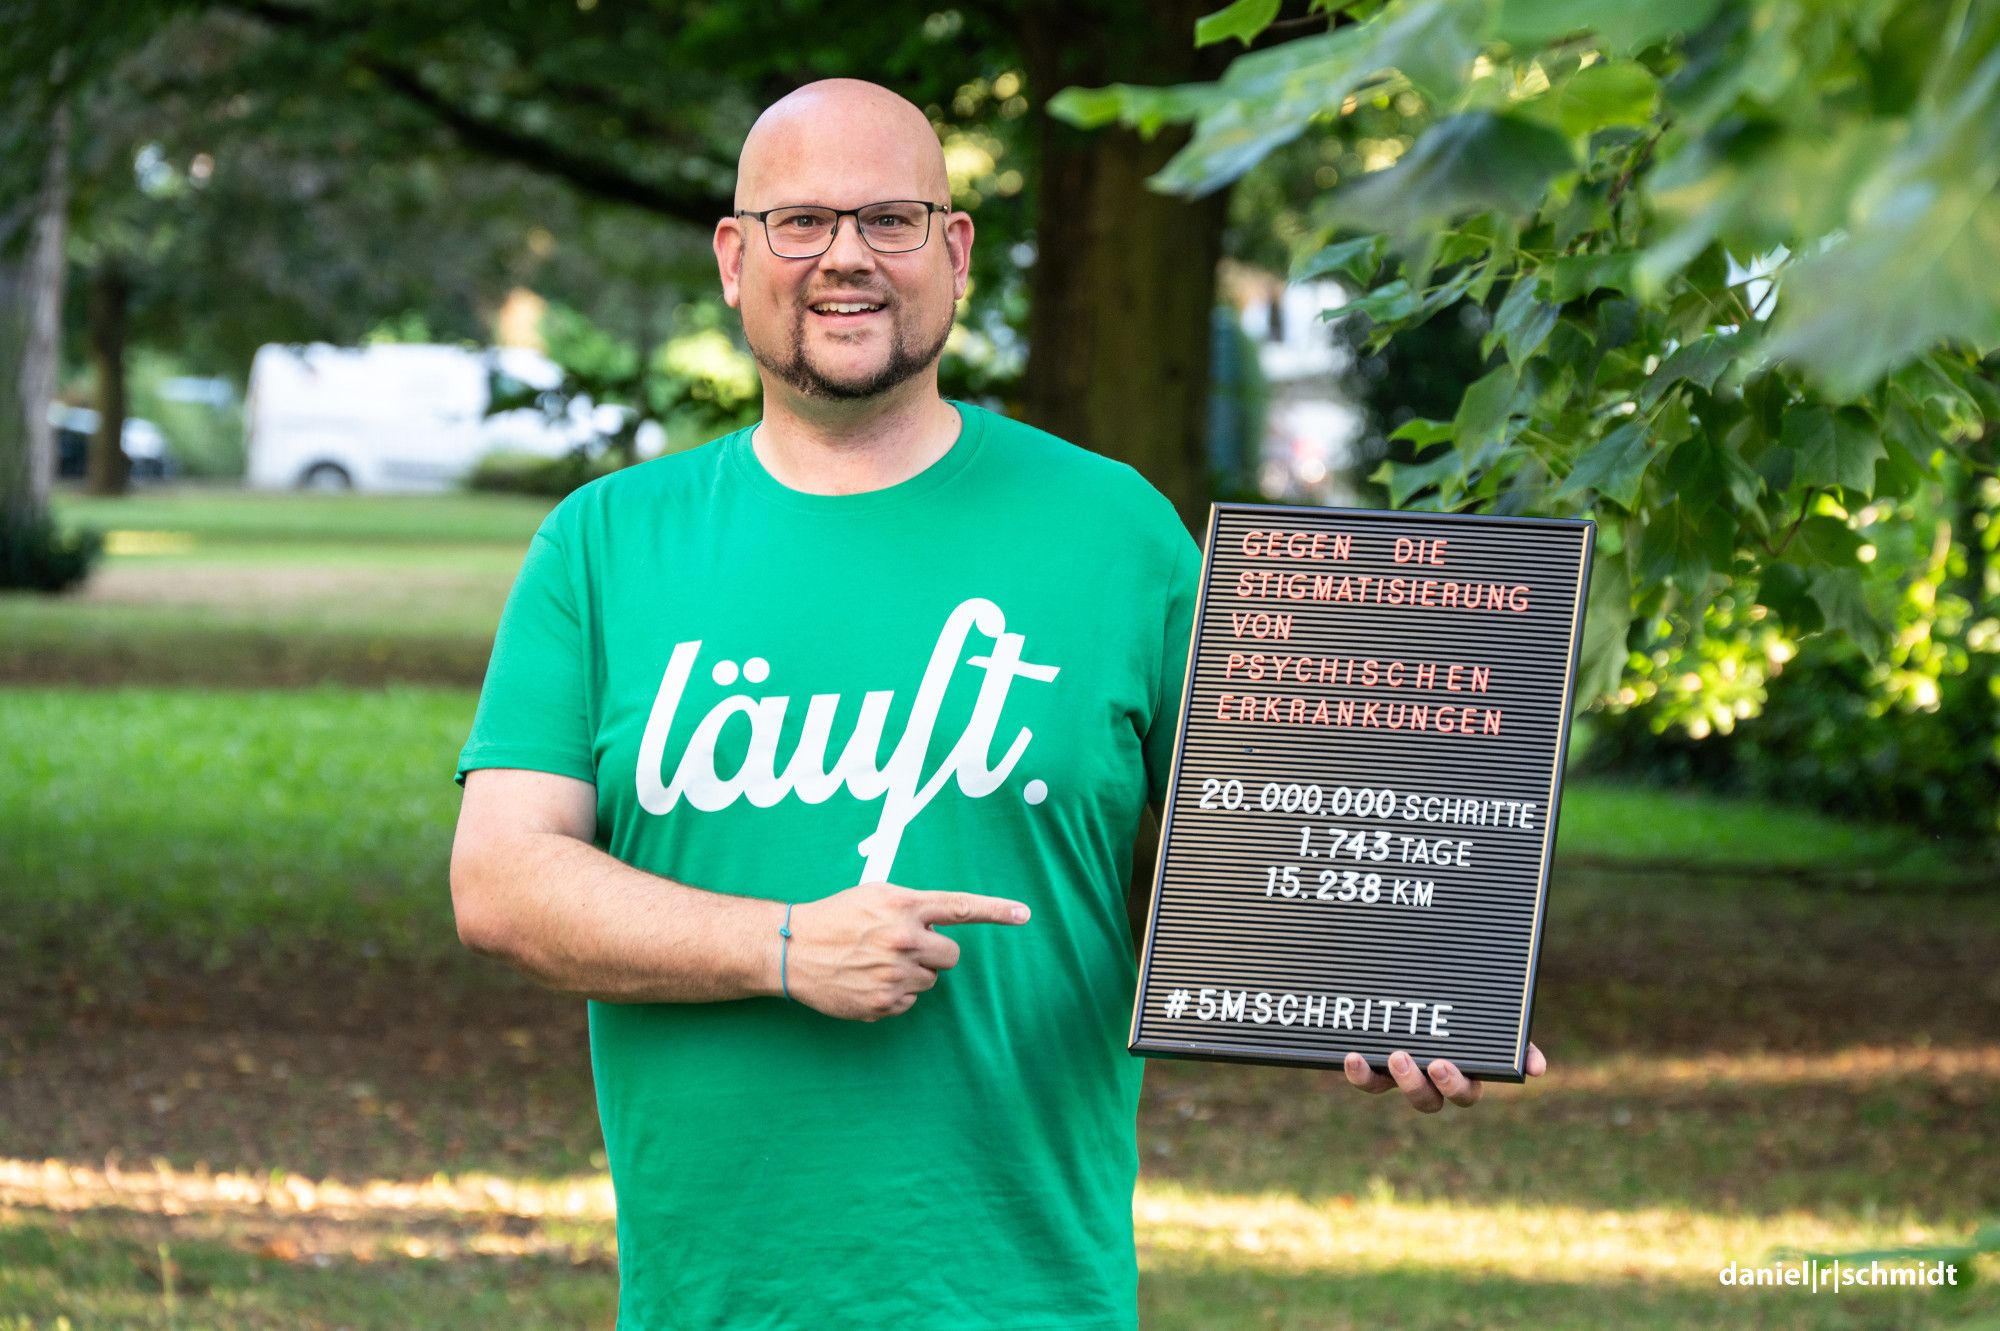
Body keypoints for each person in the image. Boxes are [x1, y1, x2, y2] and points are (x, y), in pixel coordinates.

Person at [449, 77, 1545, 1331]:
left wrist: (1397, 981)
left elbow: (1297, 832)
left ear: (954, 252)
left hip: (1030, 1289)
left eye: (890, 219)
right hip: (714, 1299)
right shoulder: (604, 545)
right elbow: (501, 879)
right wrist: (783, 945)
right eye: (799, 222)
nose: (845, 257)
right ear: (732, 255)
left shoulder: (1111, 527)